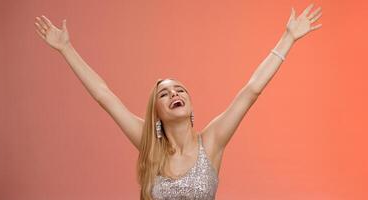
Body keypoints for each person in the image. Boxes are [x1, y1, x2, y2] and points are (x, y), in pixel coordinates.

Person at [34, 3, 322, 200]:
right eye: (164, 93)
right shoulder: (149, 146)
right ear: (156, 113)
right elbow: (105, 96)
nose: (174, 94)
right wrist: (66, 48)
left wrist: (288, 38)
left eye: (180, 90)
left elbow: (251, 90)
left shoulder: (211, 142)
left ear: (189, 103)